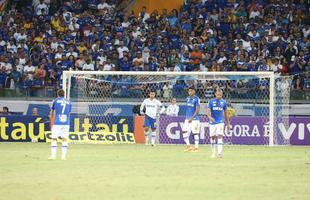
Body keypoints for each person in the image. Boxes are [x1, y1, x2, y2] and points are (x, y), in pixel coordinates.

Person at [207, 88, 230, 158]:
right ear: (215, 94)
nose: (219, 95)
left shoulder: (224, 102)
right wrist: (210, 117)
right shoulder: (211, 101)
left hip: (220, 122)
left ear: (222, 95)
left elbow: (226, 114)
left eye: (220, 94)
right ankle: (213, 153)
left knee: (220, 136)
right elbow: (208, 113)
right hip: (212, 122)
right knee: (212, 137)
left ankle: (220, 153)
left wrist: (228, 124)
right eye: (218, 94)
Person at [48, 89, 72, 160]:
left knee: (54, 138)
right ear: (64, 94)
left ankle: (53, 156)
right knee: (64, 139)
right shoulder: (69, 102)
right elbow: (69, 113)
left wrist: (51, 118)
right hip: (66, 122)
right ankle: (63, 157)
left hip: (58, 122)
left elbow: (52, 112)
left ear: (58, 94)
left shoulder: (55, 101)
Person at [182, 87, 200, 152]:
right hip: (187, 119)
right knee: (184, 131)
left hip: (194, 119)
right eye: (189, 91)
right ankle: (188, 145)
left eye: (191, 91)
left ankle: (196, 148)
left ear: (194, 92)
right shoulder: (187, 98)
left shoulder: (197, 99)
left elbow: (197, 111)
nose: (190, 92)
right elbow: (188, 109)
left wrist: (192, 118)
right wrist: (187, 118)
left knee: (195, 133)